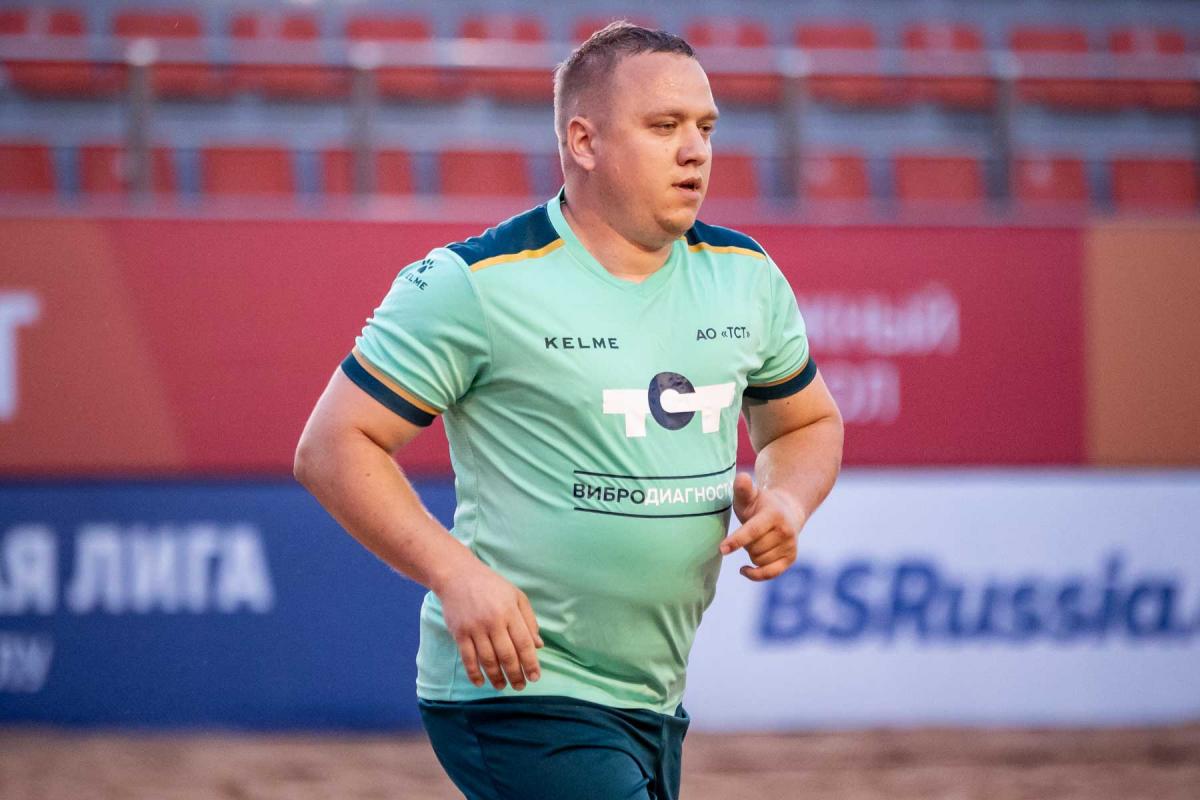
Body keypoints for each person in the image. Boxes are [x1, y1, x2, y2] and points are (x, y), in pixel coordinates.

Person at [294, 21, 843, 800]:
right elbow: (332, 446)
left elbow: (806, 423)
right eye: (665, 127)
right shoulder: (475, 282)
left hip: (651, 698)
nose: (695, 151)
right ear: (584, 141)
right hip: (517, 688)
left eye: (705, 128)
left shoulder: (745, 275)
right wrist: (456, 575)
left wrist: (789, 498)